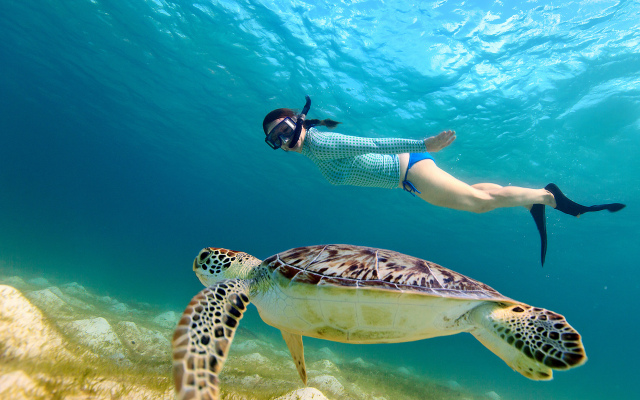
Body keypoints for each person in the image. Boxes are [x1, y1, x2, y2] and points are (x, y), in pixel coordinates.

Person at [263, 96, 626, 265]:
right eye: (273, 140)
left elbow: (372, 143)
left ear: (297, 121)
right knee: (478, 195)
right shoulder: (313, 149)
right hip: (407, 174)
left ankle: (547, 198)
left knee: (478, 205)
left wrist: (425, 144)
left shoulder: (320, 142)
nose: (282, 141)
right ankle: (534, 198)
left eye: (281, 130)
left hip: (408, 170)